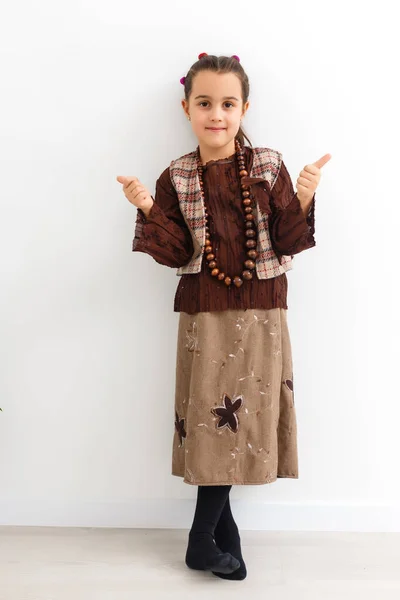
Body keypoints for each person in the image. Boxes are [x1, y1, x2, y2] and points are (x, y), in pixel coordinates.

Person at [117, 53, 331, 581]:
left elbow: (286, 240)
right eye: (205, 103)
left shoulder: (268, 165)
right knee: (216, 425)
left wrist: (303, 196)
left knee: (240, 419)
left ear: (244, 108)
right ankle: (208, 539)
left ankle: (211, 538)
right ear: (186, 108)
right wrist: (146, 207)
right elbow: (172, 251)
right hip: (205, 316)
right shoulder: (178, 174)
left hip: (261, 312)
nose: (217, 114)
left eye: (228, 103)